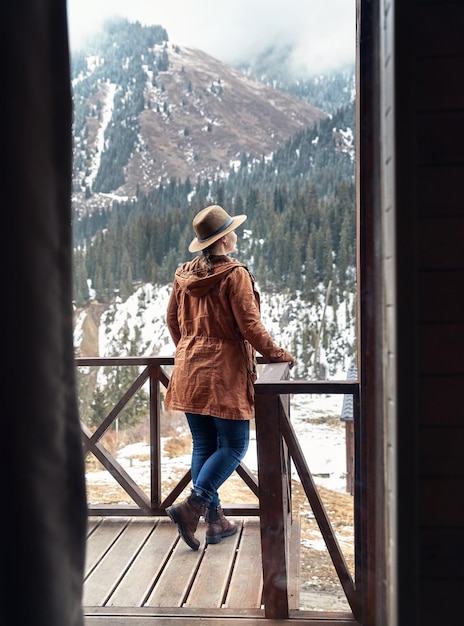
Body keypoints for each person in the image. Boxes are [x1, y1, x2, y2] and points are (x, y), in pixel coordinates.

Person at [164, 204, 296, 551]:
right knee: (234, 446)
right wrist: (277, 354)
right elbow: (250, 326)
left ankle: (215, 522)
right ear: (224, 239)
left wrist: (192, 350)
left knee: (204, 445)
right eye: (232, 230)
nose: (236, 234)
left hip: (189, 370)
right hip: (224, 373)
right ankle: (193, 506)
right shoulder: (234, 275)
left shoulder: (183, 275)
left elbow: (173, 322)